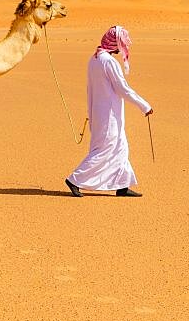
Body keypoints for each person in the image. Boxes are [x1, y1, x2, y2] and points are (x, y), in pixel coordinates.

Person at [66, 25, 153, 198]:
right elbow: (122, 89)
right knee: (105, 149)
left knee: (120, 148)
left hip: (100, 112)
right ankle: (75, 179)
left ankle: (122, 186)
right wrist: (144, 105)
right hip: (108, 115)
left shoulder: (95, 59)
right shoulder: (108, 62)